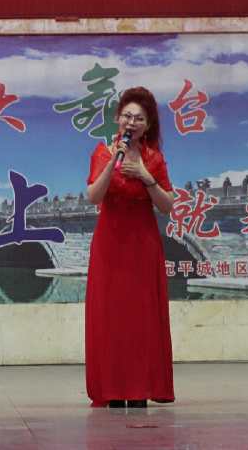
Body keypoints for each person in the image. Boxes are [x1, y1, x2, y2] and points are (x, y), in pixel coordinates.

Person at [85, 86, 176, 409]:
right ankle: (113, 388)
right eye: (127, 116)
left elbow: (167, 206)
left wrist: (145, 176)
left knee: (140, 317)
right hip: (109, 244)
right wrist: (114, 162)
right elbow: (93, 196)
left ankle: (140, 388)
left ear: (147, 125)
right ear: (117, 119)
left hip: (142, 245)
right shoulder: (102, 153)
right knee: (110, 316)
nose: (132, 122)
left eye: (139, 118)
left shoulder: (154, 159)